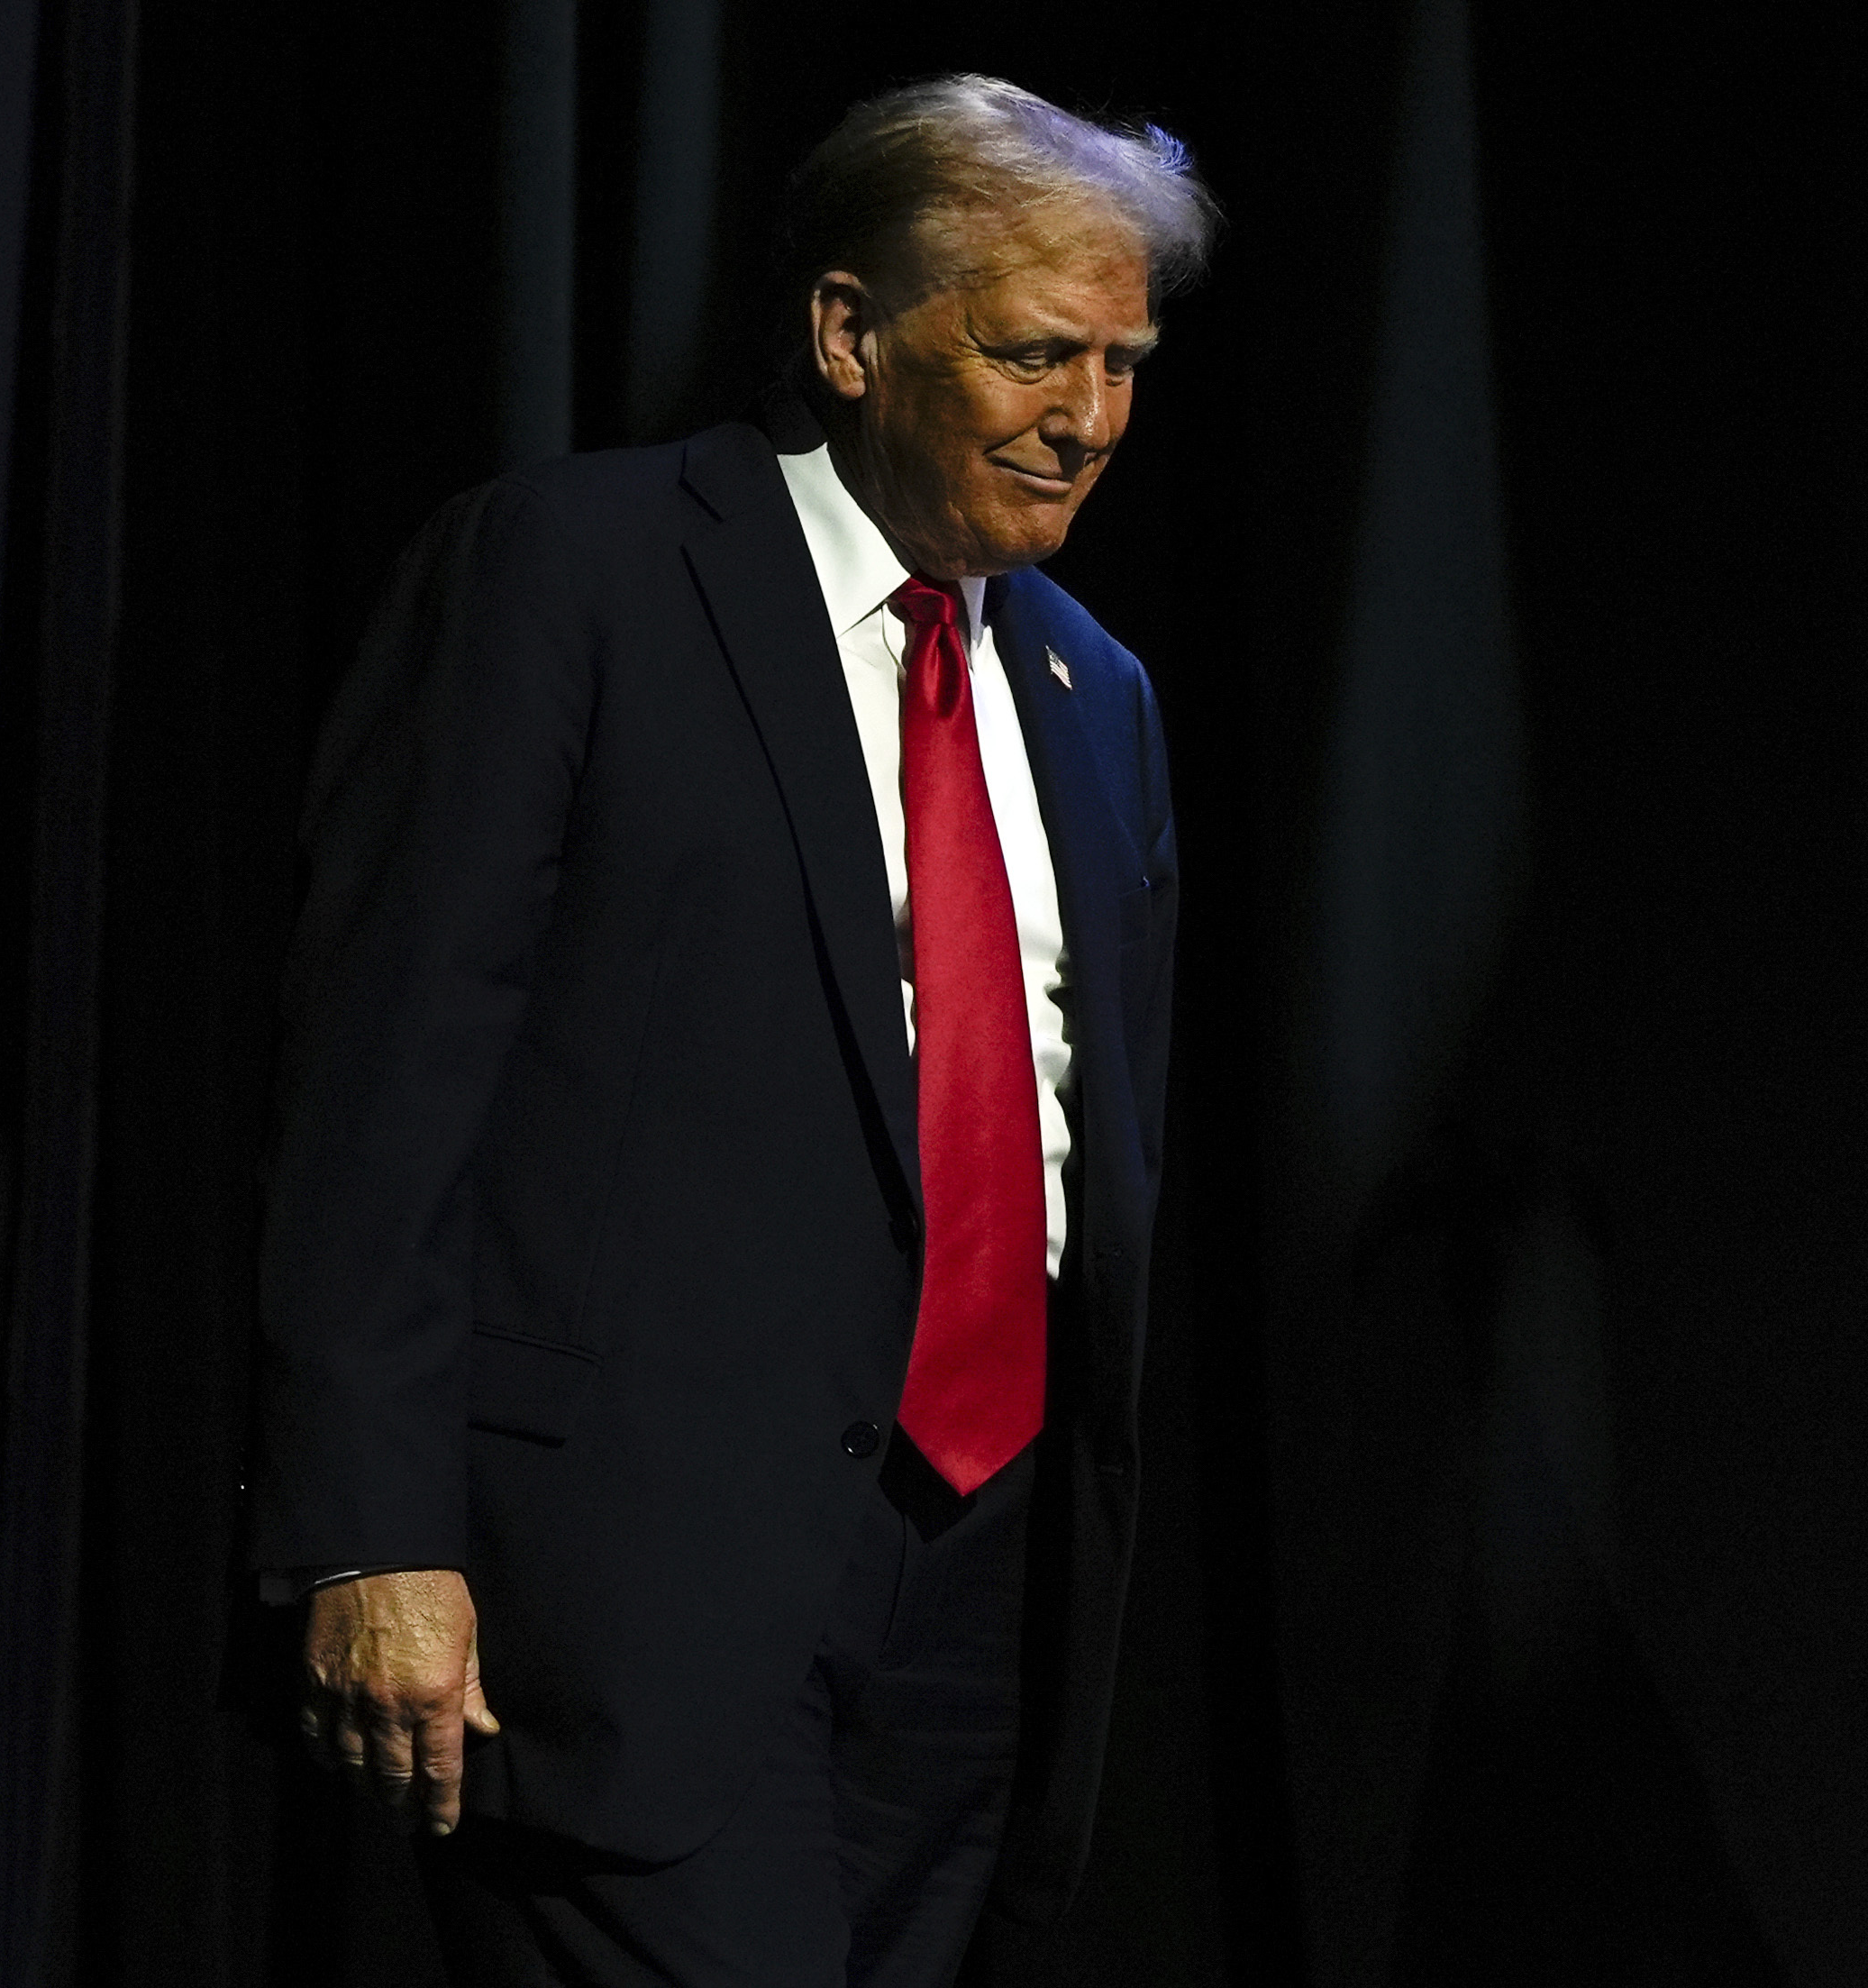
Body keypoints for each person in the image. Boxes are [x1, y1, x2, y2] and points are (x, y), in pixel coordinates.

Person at [251, 73, 1213, 1985]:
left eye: (1121, 362)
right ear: (848, 334)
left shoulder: (1092, 694)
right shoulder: (581, 570)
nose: (1085, 420)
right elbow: (388, 1066)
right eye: (1032, 352)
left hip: (971, 1602)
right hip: (621, 1584)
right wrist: (366, 1529)